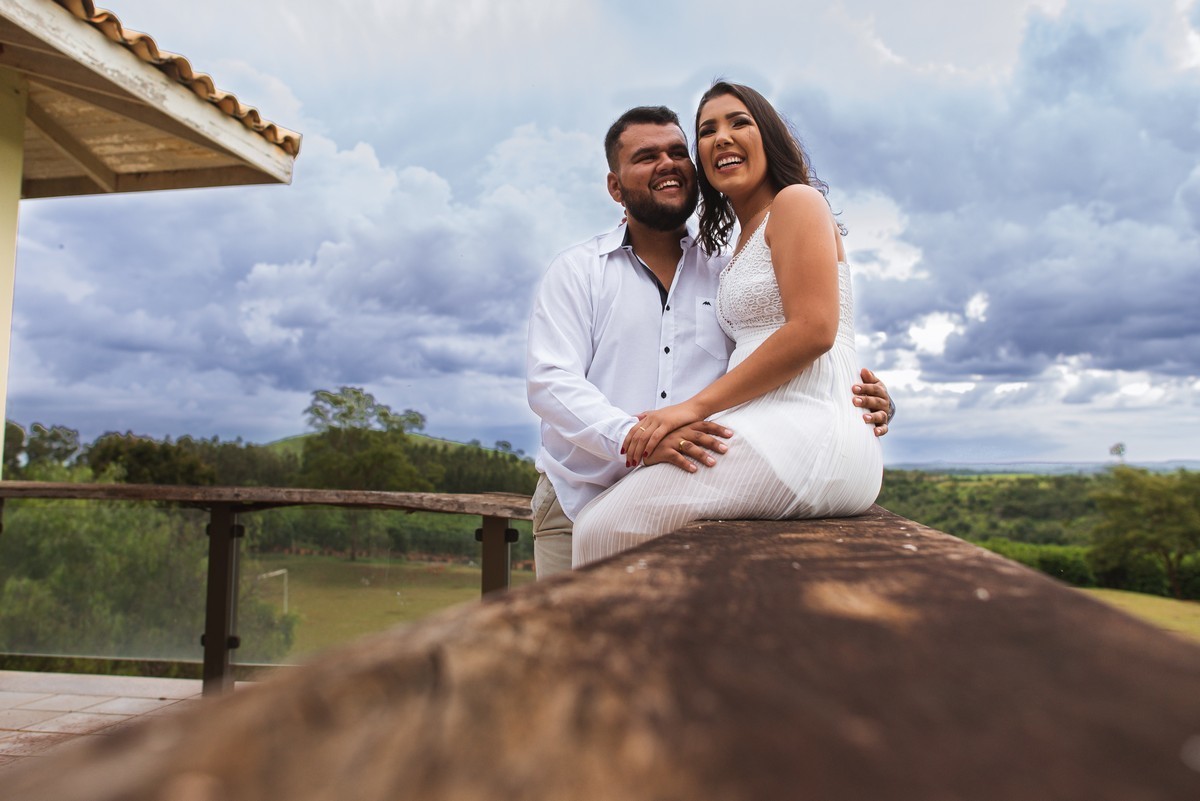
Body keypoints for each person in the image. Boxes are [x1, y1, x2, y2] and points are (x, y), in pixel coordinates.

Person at [527, 103, 892, 578]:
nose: (667, 164)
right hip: (581, 494)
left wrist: (862, 394)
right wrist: (635, 441)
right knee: (571, 622)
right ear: (615, 187)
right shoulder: (578, 270)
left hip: (698, 495)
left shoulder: (730, 273)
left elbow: (786, 341)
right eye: (646, 157)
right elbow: (550, 381)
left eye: (678, 152)